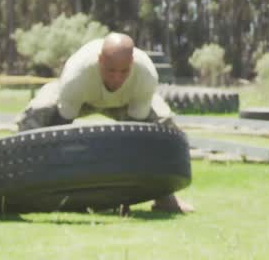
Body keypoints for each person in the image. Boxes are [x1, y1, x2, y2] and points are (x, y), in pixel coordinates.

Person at [15, 32, 194, 214]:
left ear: (132, 62)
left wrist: (126, 196)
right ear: (100, 60)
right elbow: (60, 128)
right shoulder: (76, 73)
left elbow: (136, 136)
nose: (117, 78)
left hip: (125, 103)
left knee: (165, 123)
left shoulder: (146, 74)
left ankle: (165, 196)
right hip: (82, 99)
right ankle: (26, 190)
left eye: (124, 71)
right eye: (110, 71)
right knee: (34, 115)